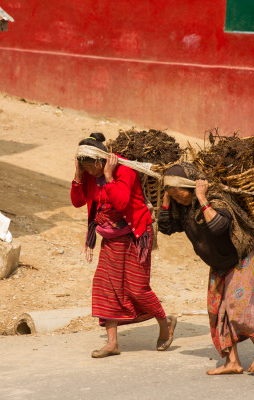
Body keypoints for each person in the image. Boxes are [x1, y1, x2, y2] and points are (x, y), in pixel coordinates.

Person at [158, 162, 254, 375]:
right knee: (216, 309)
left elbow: (219, 227)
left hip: (242, 254)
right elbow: (165, 228)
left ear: (192, 187)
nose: (178, 199)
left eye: (180, 194)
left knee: (237, 305)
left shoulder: (216, 197)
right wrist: (167, 197)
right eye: (174, 196)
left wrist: (201, 198)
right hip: (219, 262)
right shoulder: (182, 207)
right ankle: (232, 362)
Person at [71, 133, 176, 358]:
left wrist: (108, 177)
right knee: (105, 286)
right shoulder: (88, 173)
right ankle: (112, 343)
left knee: (137, 288)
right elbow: (78, 201)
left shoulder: (124, 171)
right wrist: (79, 174)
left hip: (135, 235)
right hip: (111, 239)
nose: (91, 173)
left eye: (92, 168)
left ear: (102, 161)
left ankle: (165, 323)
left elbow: (120, 202)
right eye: (86, 168)